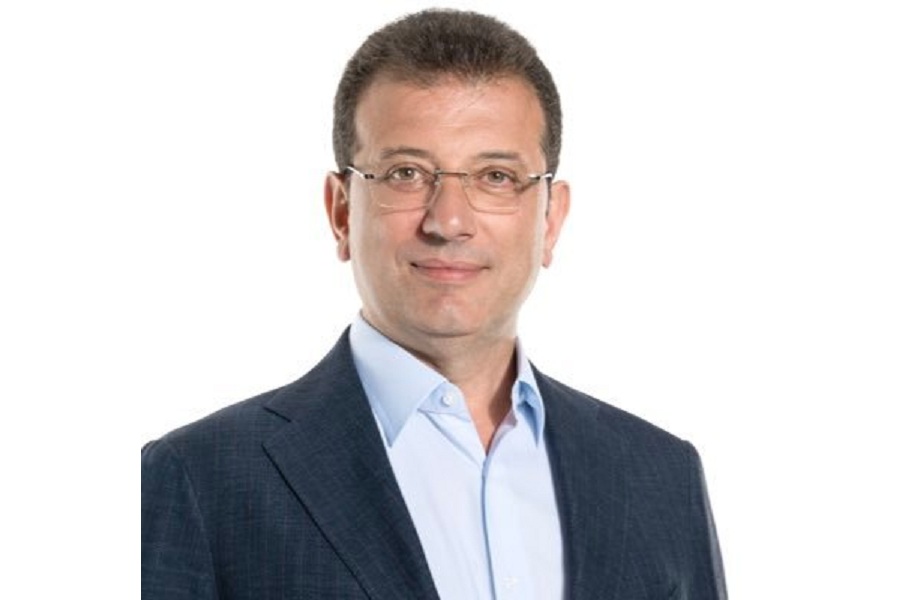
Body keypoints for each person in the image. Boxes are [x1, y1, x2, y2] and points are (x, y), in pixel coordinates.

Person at [142, 9, 727, 599]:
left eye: (496, 176)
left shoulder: (660, 476)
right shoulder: (199, 480)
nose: (448, 221)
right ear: (342, 212)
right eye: (406, 173)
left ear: (550, 219)